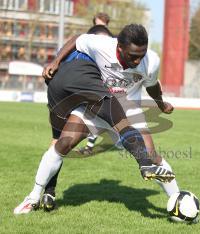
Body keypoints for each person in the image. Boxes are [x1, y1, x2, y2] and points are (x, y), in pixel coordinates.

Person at [14, 24, 175, 214]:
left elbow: (152, 84)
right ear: (119, 47)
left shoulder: (152, 60)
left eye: (142, 54)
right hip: (96, 105)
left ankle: (178, 200)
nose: (138, 60)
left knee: (150, 156)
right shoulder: (102, 45)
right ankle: (33, 197)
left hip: (129, 108)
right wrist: (56, 62)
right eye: (133, 56)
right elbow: (76, 39)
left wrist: (161, 104)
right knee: (62, 144)